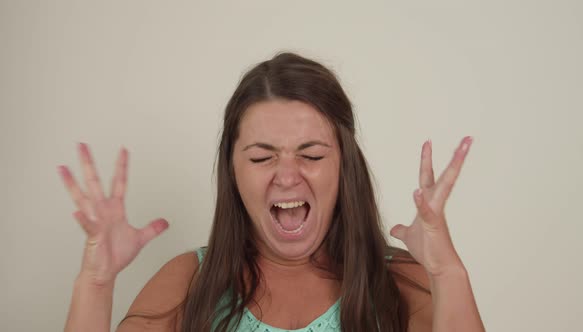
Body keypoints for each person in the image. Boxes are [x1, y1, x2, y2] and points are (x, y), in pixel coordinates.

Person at [59, 52, 485, 332]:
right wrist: (95, 284)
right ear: (233, 170)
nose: (286, 176)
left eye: (312, 155)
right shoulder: (191, 281)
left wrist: (448, 273)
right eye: (262, 157)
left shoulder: (400, 283)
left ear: (344, 167)